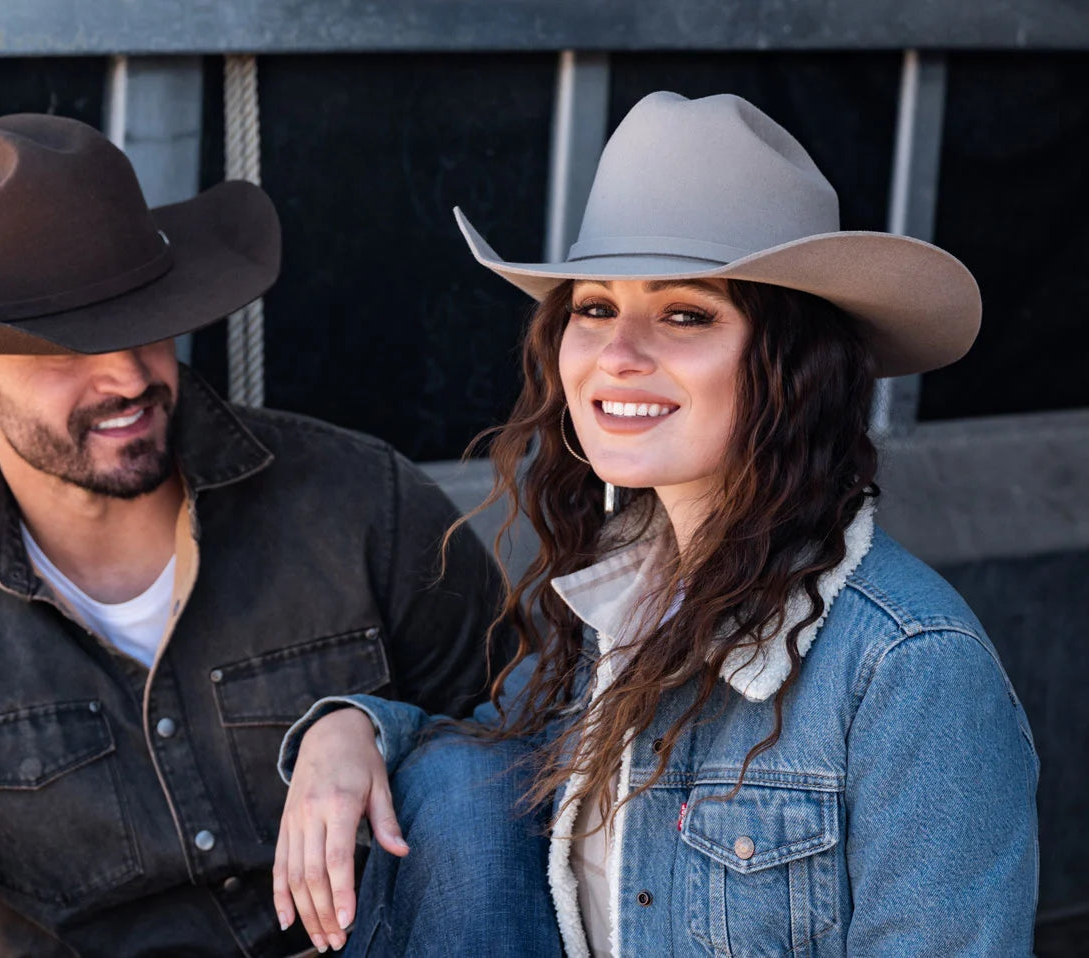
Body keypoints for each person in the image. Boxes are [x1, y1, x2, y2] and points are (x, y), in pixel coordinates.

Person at [274, 91, 1039, 957]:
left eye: (685, 314)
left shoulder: (912, 669)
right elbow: (486, 745)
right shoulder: (624, 606)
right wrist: (350, 731)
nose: (617, 354)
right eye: (594, 307)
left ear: (794, 365)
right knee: (458, 783)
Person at [0, 113, 505, 957]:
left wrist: (371, 725)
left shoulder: (361, 507)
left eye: (145, 322)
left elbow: (532, 754)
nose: (128, 376)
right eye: (66, 348)